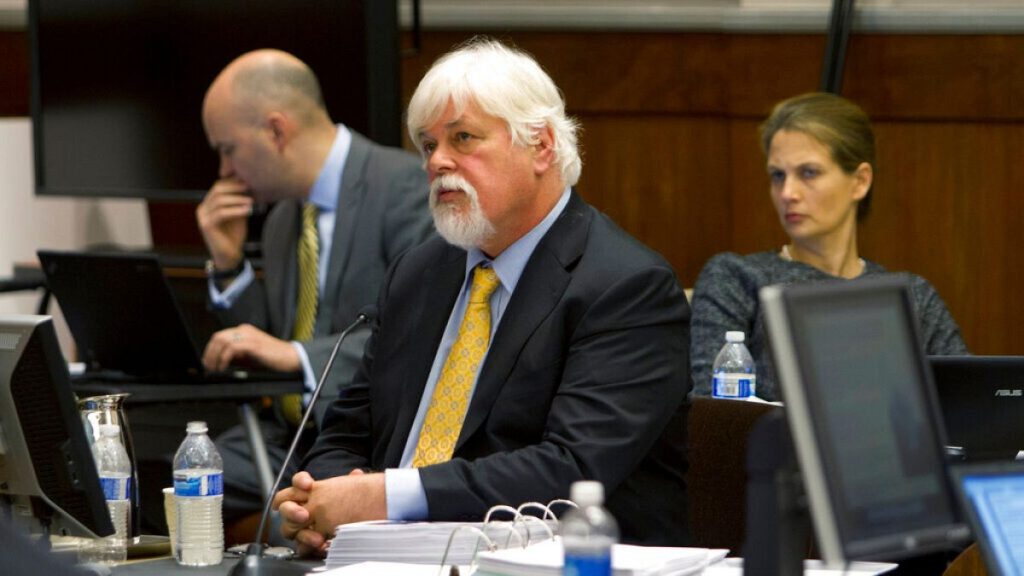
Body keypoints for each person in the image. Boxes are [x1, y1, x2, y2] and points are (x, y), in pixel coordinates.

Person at [272, 38, 692, 556]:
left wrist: (382, 497)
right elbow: (346, 432)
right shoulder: (420, 272)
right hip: (382, 558)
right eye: (428, 146)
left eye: (463, 138)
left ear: (541, 146)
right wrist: (321, 504)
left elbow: (571, 470)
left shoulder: (626, 286)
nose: (437, 163)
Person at [195, 49, 433, 529]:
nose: (223, 171)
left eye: (227, 149)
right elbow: (264, 343)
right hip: (287, 434)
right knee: (182, 473)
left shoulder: (405, 188)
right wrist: (229, 265)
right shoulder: (285, 216)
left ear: (276, 131)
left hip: (362, 441)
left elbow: (418, 336)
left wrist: (297, 356)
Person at [689, 92, 967, 402]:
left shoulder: (912, 297)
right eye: (777, 176)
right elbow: (711, 418)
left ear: (860, 182)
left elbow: (972, 407)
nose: (788, 193)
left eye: (808, 172)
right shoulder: (736, 278)